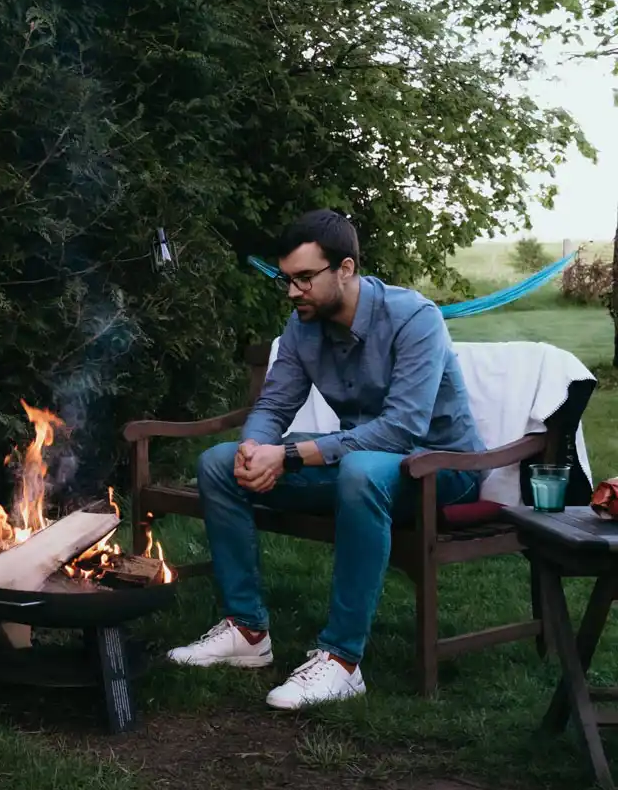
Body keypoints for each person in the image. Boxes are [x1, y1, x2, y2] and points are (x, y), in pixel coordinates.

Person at [168, 209, 483, 709]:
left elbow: (402, 428)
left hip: (441, 468)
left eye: (304, 278)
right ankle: (246, 631)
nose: (293, 292)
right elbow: (274, 406)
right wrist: (254, 449)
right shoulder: (303, 326)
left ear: (346, 269)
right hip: (365, 463)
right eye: (286, 280)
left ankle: (341, 661)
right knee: (218, 463)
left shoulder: (414, 318)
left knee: (360, 472)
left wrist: (289, 455)